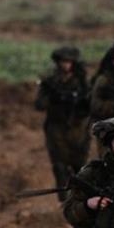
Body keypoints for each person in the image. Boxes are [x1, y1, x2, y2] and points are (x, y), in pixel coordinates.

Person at [34, 46, 91, 202]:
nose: (65, 65)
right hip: (56, 128)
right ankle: (64, 200)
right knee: (59, 166)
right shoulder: (51, 81)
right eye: (62, 61)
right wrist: (54, 98)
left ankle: (81, 200)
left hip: (78, 128)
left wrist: (77, 101)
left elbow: (90, 104)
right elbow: (39, 104)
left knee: (79, 166)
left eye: (68, 62)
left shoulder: (82, 82)